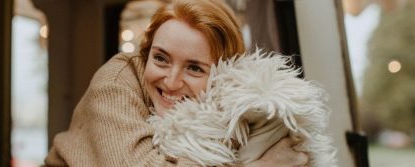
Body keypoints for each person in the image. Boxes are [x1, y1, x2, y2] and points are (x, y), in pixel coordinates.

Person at [44, 0, 309, 166]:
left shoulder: (229, 105)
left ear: (224, 74)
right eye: (161, 59)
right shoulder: (115, 81)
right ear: (146, 54)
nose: (170, 82)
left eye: (194, 68)